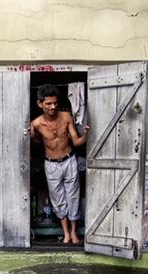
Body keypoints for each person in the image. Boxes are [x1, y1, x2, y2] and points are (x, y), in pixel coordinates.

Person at [30, 84, 89, 244]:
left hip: (69, 160)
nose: (53, 106)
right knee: (58, 199)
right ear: (40, 104)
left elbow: (76, 142)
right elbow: (36, 143)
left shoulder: (66, 117)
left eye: (55, 102)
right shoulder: (36, 124)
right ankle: (66, 233)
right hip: (51, 164)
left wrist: (86, 134)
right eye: (48, 103)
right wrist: (33, 136)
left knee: (73, 196)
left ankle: (74, 232)